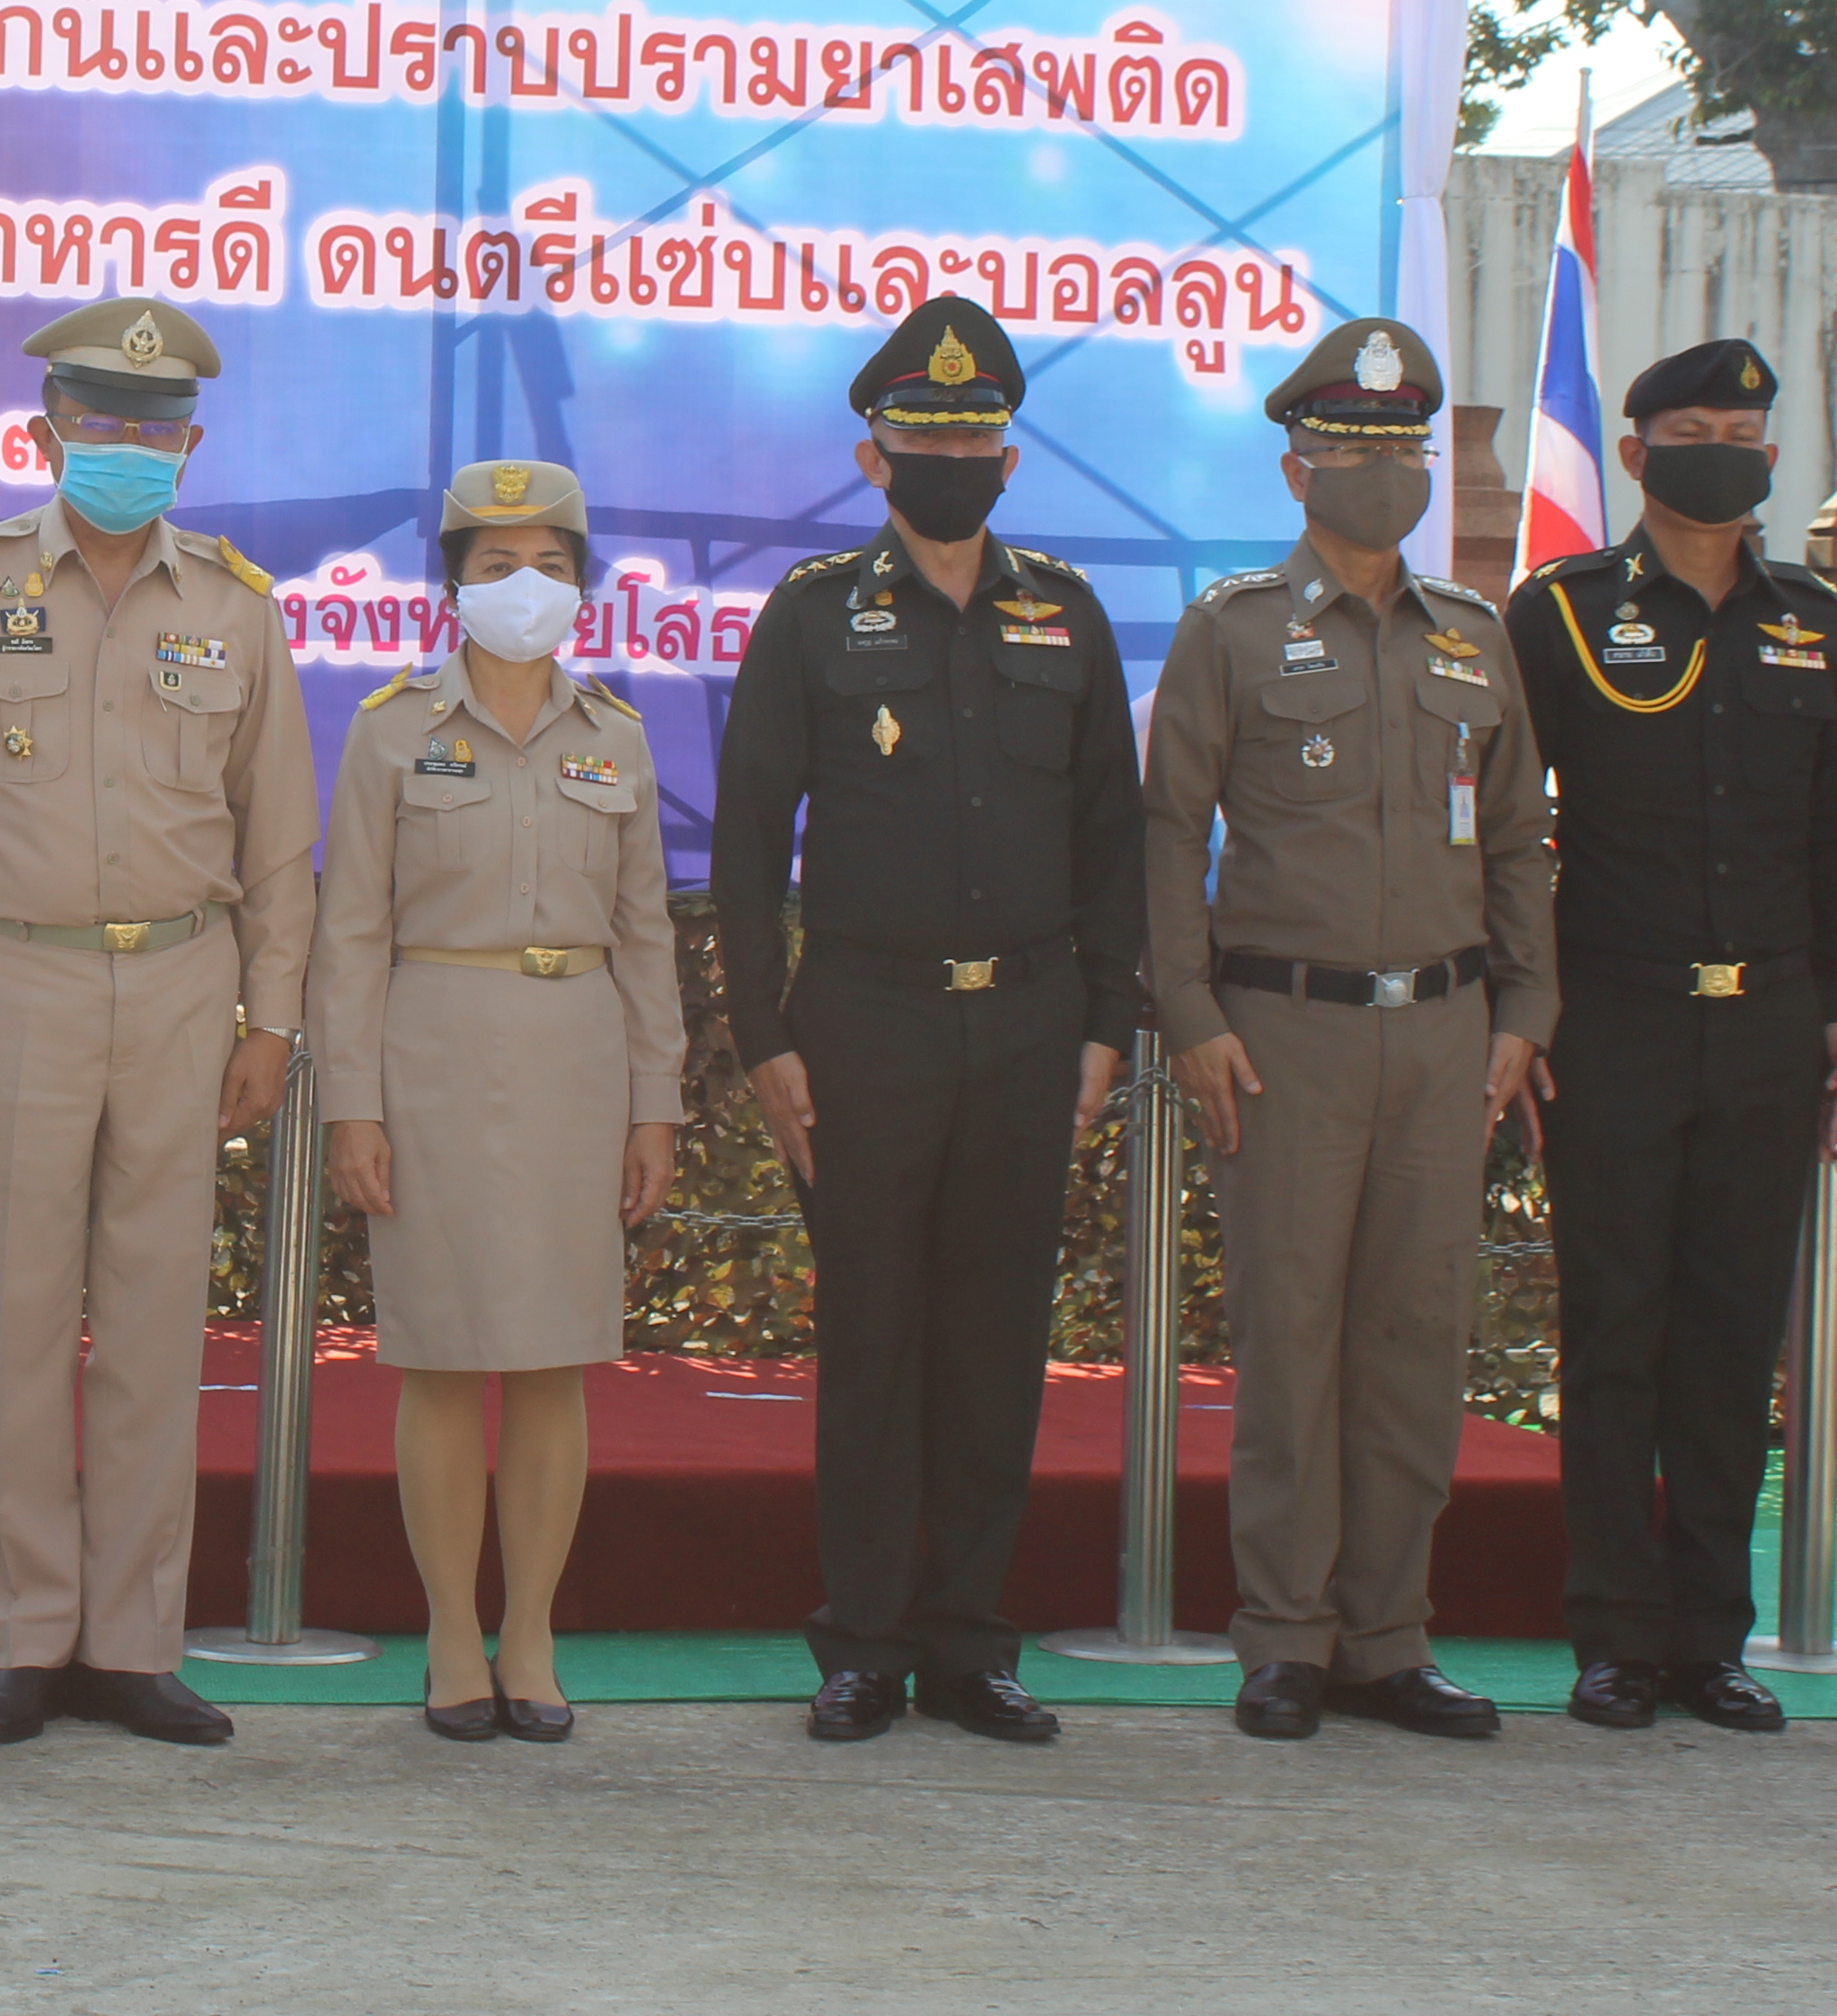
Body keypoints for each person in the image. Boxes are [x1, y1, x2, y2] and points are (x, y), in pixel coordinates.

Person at [0, 296, 318, 1748]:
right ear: (47, 430)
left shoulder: (234, 605)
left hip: (184, 979)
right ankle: (17, 1635)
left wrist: (272, 1017)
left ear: (187, 442)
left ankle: (131, 1640)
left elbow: (276, 833)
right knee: (16, 1316)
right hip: (10, 972)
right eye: (97, 421)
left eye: (150, 426)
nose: (124, 446)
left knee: (158, 1321)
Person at [708, 299, 1138, 1748]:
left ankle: (967, 1641)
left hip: (1027, 1022)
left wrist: (1103, 1028)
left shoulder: (1063, 613)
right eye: (919, 436)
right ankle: (860, 1643)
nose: (946, 454)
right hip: (861, 1027)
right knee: (873, 1336)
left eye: (970, 434)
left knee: (992, 1341)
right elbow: (751, 835)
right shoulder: (816, 610)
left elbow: (1108, 837)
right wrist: (762, 1037)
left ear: (1007, 457)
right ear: (870, 455)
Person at [1144, 314, 1554, 1744]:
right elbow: (1164, 834)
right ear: (1296, 467)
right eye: (1349, 449)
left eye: (1401, 450)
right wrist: (1187, 1013)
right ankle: (1284, 1638)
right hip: (1284, 1035)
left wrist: (1526, 1010)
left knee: (1414, 1341)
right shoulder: (1233, 630)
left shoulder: (1475, 639)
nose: (1380, 473)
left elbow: (1516, 844)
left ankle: (1390, 1636)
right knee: (1292, 1336)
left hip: (1445, 1036)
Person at [1503, 337, 1837, 1733]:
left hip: (1771, 1022)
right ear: (1639, 451)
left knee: (1727, 1343)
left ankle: (1710, 1635)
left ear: (1772, 458)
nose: (1729, 447)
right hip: (1614, 1020)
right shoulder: (1563, 612)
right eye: (1696, 426)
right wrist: (1524, 1007)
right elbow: (1504, 824)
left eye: (1750, 429)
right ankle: (1609, 1632)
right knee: (1613, 1333)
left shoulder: (1811, 621)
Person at [316, 459, 685, 1744]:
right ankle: (451, 1636)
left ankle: (529, 1632)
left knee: (551, 1362)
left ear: (581, 584)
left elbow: (647, 939)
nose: (523, 587)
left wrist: (660, 1106)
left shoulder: (618, 740)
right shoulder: (389, 731)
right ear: (454, 583)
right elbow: (350, 933)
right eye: (493, 565)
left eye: (548, 563)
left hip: (579, 1059)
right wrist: (348, 1105)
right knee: (436, 1356)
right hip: (433, 1058)